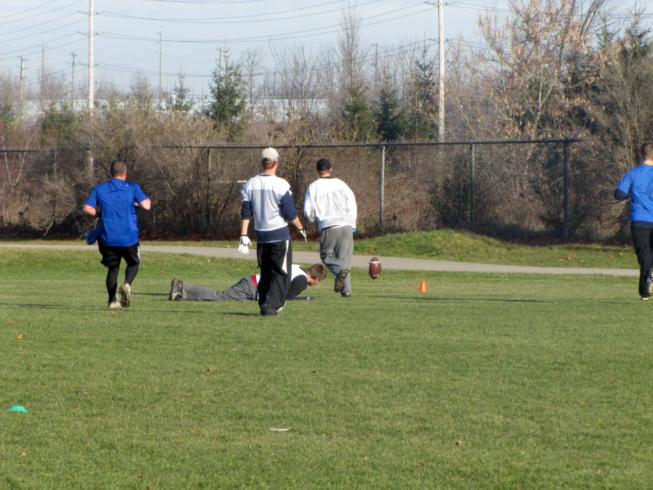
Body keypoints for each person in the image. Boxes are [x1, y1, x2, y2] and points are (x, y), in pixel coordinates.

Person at [239, 147, 307, 316]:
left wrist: (244, 234)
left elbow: (246, 211)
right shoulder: (281, 184)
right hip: (279, 235)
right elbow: (290, 213)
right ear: (276, 163)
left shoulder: (250, 183)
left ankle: (264, 302)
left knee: (266, 272)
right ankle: (273, 306)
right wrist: (300, 227)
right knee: (281, 272)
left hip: (261, 236)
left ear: (262, 163)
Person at [82, 160, 151, 309]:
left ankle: (112, 301)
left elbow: (87, 208)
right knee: (134, 263)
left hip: (108, 237)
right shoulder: (132, 187)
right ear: (125, 173)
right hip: (129, 237)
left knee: (113, 269)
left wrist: (99, 213)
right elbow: (147, 205)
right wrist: (135, 204)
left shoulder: (100, 188)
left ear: (110, 173)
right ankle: (127, 284)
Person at [304, 158, 357, 297]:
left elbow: (308, 210)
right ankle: (346, 290)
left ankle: (340, 275)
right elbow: (352, 202)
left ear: (317, 170)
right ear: (331, 169)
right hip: (346, 224)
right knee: (344, 260)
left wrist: (313, 220)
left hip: (328, 225)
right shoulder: (341, 184)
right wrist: (353, 223)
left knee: (326, 256)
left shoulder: (313, 186)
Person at [168, 263, 326, 302]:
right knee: (221, 297)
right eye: (319, 282)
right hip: (253, 287)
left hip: (253, 282)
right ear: (317, 279)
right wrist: (303, 299)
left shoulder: (297, 267)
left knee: (221, 296)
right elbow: (286, 298)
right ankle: (182, 287)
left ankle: (181, 291)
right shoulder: (302, 281)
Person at [615, 142, 653, 300]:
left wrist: (629, 194)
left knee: (644, 255)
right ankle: (648, 281)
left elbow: (618, 193)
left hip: (639, 220)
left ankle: (645, 291)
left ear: (642, 154)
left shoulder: (632, 173)